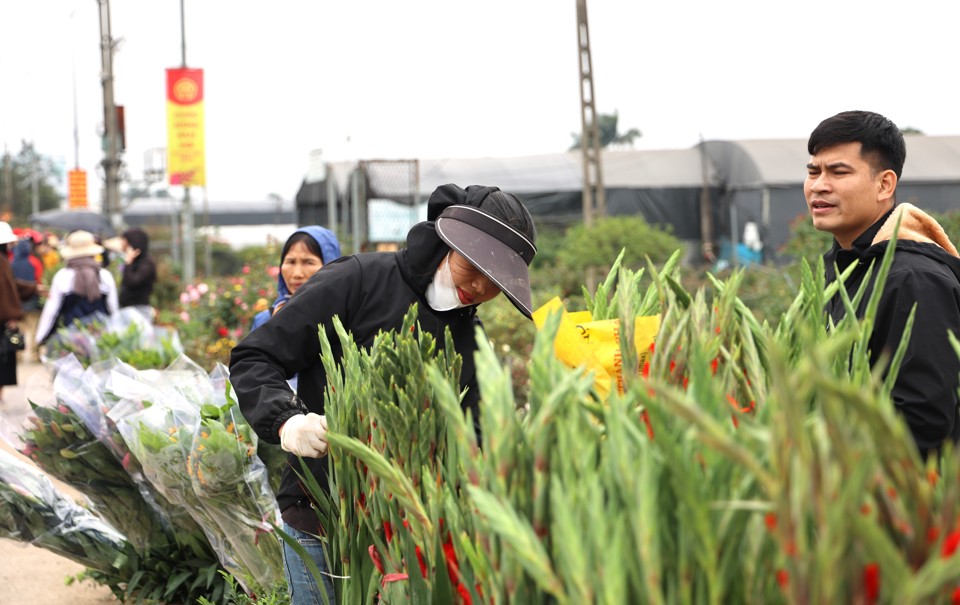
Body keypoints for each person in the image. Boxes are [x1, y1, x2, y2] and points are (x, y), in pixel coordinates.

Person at [229, 184, 537, 605]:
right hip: (320, 513)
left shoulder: (472, 342)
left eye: (496, 280)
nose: (480, 286)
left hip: (406, 537)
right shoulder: (358, 279)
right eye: (472, 266)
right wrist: (287, 419)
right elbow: (255, 356)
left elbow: (476, 440)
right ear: (448, 242)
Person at [805, 110, 960, 459]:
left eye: (838, 172)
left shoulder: (913, 278)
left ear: (884, 184)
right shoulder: (848, 266)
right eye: (813, 171)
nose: (818, 185)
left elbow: (921, 422)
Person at [35, 230, 120, 347]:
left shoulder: (63, 276)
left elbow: (51, 310)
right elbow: (113, 308)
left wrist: (41, 337)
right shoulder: (104, 276)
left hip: (72, 336)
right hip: (101, 335)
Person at [250, 225, 342, 332]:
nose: (297, 274)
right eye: (291, 262)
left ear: (330, 266)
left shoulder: (344, 321)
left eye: (308, 262)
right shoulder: (264, 322)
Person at [0, 222, 40, 404]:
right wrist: (10, 314)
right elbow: (5, 291)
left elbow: (11, 286)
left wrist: (34, 288)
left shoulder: (4, 261)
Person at [10, 237, 43, 361]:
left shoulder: (12, 262)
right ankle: (35, 355)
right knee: (34, 328)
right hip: (33, 299)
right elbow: (39, 279)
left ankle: (18, 354)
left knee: (19, 329)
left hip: (17, 301)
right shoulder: (34, 262)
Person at [117, 228, 158, 319]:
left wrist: (128, 264)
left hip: (139, 310)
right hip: (127, 309)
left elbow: (132, 282)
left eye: (125, 241)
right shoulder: (134, 262)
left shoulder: (146, 264)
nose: (122, 245)